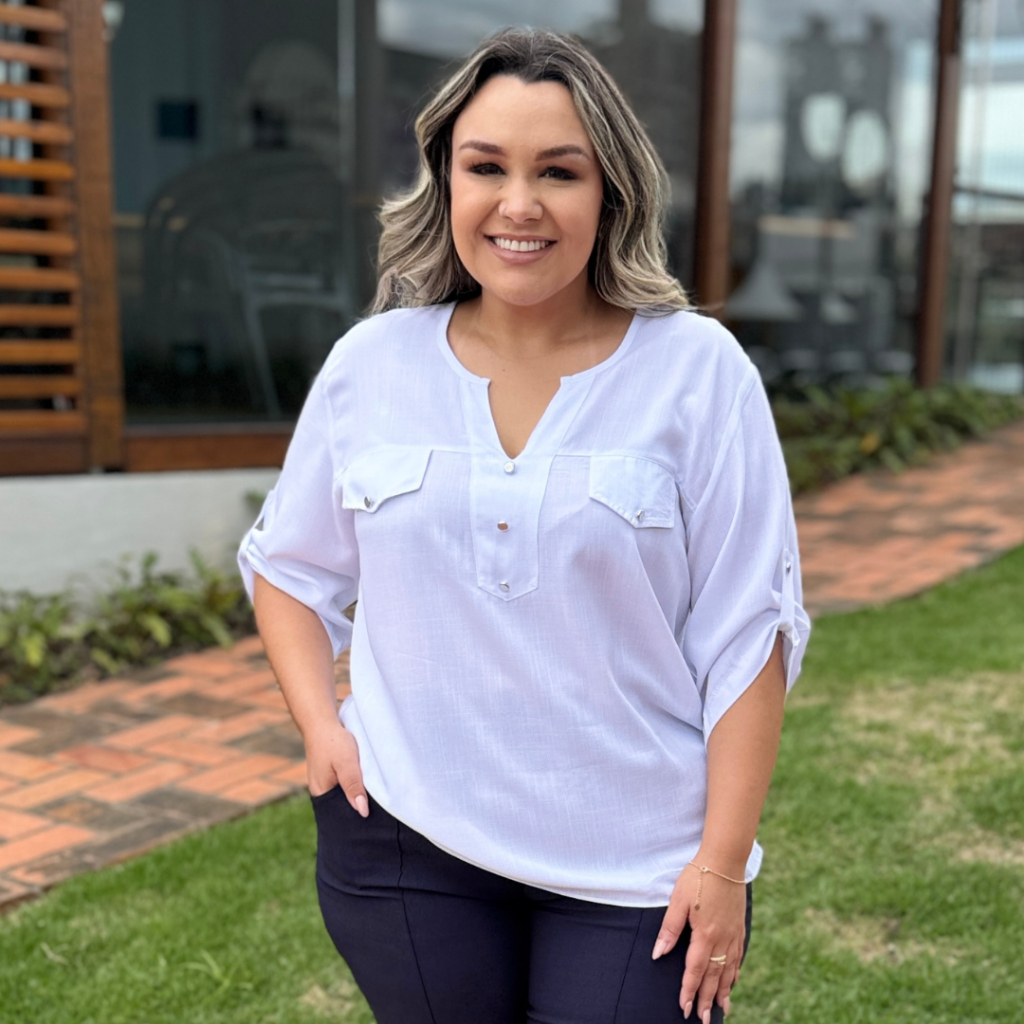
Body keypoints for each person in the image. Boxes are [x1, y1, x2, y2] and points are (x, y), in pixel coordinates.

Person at [238, 27, 811, 1024]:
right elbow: (288, 566)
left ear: (610, 192)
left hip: (641, 857)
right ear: (444, 182)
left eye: (558, 171)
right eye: (486, 167)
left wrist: (721, 864)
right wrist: (322, 730)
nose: (518, 204)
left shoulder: (698, 372)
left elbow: (748, 634)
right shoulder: (372, 363)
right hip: (407, 835)